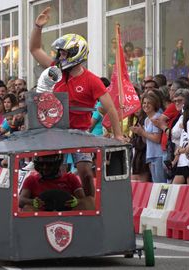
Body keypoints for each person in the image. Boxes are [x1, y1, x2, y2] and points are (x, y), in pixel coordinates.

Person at [30, 7, 123, 196]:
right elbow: (35, 49)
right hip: (55, 131)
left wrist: (118, 135)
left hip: (80, 133)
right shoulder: (55, 70)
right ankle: (55, 202)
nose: (59, 57)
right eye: (60, 53)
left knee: (86, 173)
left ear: (76, 53)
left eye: (64, 54)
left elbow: (111, 108)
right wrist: (37, 28)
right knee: (54, 172)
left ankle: (89, 202)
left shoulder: (92, 80)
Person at [19, 154, 93, 211]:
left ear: (57, 164)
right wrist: (33, 202)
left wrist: (77, 201)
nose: (44, 167)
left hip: (67, 216)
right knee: (27, 208)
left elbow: (83, 200)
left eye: (49, 164)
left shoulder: (70, 178)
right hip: (41, 217)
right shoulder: (31, 179)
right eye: (41, 164)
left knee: (90, 201)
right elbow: (20, 200)